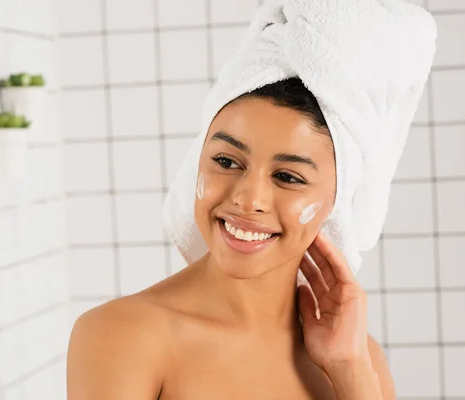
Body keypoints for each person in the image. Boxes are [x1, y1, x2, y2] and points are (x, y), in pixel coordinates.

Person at [66, 78, 395, 399]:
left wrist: (349, 371)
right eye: (226, 161)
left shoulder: (359, 356)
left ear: (336, 202)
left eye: (287, 177)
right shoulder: (124, 336)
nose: (248, 199)